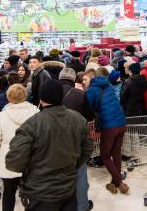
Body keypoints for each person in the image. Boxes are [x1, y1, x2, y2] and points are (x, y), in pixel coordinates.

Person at [6, 78, 93, 211]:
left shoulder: (31, 124)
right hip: (68, 188)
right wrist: (73, 164)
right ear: (62, 97)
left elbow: (14, 162)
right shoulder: (78, 119)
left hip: (40, 193)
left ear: (41, 99)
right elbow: (87, 149)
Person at [0, 84, 38, 211]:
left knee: (8, 193)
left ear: (8, 97)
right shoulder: (36, 113)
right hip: (31, 159)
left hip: (9, 159)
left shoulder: (1, 116)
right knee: (31, 194)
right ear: (25, 96)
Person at [86, 74, 129, 195]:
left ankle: (120, 183)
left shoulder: (91, 90)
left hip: (109, 126)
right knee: (116, 154)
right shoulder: (108, 85)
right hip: (121, 122)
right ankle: (114, 184)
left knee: (105, 156)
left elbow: (89, 108)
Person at [58, 69, 95, 211]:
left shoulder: (49, 91)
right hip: (75, 139)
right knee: (79, 173)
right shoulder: (79, 94)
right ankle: (82, 205)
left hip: (53, 138)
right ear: (74, 79)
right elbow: (90, 116)